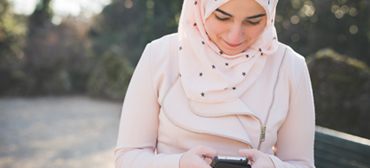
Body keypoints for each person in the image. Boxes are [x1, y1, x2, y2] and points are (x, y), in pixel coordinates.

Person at [115, 0, 315, 167]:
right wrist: (178, 164)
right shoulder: (160, 55)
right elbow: (127, 157)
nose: (235, 35)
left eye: (253, 21)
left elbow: (302, 163)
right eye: (222, 17)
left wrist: (273, 166)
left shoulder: (289, 66)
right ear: (200, 7)